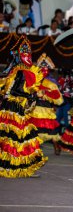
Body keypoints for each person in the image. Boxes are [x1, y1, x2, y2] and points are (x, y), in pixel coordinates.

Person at [0, 35, 47, 177]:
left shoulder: (18, 70)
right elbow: (14, 90)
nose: (28, 57)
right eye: (25, 54)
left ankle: (20, 167)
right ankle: (17, 167)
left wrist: (33, 95)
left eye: (29, 54)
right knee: (19, 138)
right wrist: (30, 96)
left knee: (14, 138)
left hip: (12, 107)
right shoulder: (19, 71)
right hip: (14, 108)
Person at [29, 53, 63, 155]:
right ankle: (34, 149)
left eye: (46, 67)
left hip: (46, 110)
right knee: (33, 130)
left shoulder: (51, 84)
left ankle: (56, 146)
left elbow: (59, 99)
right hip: (34, 109)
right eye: (42, 67)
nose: (44, 69)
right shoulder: (33, 81)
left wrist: (47, 92)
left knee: (51, 131)